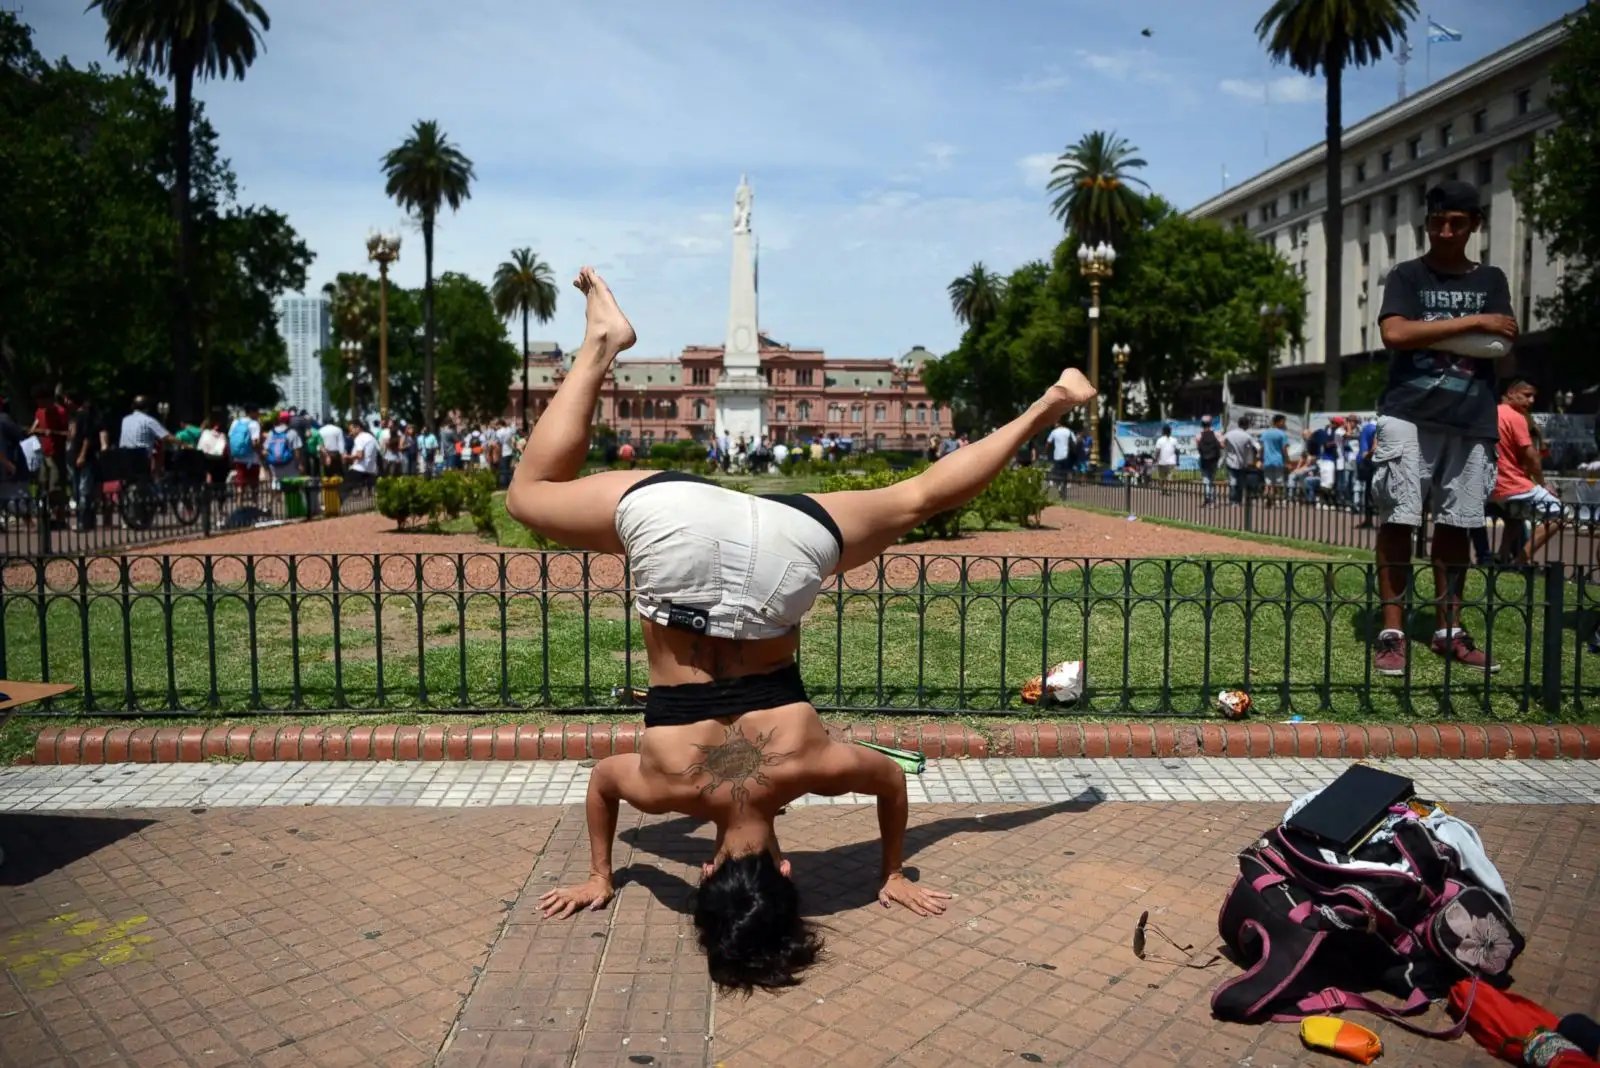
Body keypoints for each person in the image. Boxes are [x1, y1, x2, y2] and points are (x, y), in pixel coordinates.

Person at [518, 269, 1097, 992]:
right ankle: (601, 345)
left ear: (787, 868)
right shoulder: (665, 786)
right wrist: (602, 873)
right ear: (704, 871)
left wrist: (891, 871)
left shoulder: (812, 766)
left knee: (918, 496)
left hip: (783, 559)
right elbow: (603, 787)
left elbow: (891, 781)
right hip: (678, 545)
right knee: (531, 498)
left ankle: (1051, 401)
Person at [1370, 180, 1515, 676]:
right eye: (1437, 222)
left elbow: (1502, 343)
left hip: (1471, 416)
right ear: (1427, 223)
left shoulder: (1492, 277)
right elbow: (1395, 333)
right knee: (1399, 520)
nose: (1446, 231)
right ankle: (1392, 631)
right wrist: (1473, 323)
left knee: (1458, 525)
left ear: (1475, 224)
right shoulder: (1408, 275)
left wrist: (1433, 331)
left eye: (1457, 222)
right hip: (1408, 411)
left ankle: (1447, 631)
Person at [1490, 379, 1562, 565]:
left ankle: (1502, 557)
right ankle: (1521, 561)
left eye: (1533, 397)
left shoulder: (1495, 413)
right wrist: (1543, 485)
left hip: (1494, 484)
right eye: (1527, 395)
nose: (1531, 401)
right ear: (1511, 393)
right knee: (1559, 513)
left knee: (1515, 517)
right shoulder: (1516, 417)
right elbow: (1533, 457)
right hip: (1512, 483)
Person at [226, 405, 264, 496]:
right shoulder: (254, 424)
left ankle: (239, 506)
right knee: (254, 485)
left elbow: (230, 437)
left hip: (238, 458)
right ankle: (254, 506)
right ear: (252, 412)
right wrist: (261, 454)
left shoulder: (236, 422)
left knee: (240, 484)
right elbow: (255, 443)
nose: (258, 414)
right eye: (257, 412)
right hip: (252, 460)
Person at [1222, 415, 1259, 505]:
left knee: (1233, 481)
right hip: (1242, 462)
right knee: (1240, 482)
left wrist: (1227, 450)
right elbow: (1258, 447)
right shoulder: (1247, 436)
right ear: (1246, 425)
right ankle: (1238, 500)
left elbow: (1222, 442)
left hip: (1230, 461)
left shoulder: (1229, 434)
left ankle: (1233, 500)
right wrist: (1257, 456)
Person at [1260, 414, 1289, 505]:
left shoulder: (1265, 433)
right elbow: (1284, 449)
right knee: (1279, 481)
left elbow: (1262, 447)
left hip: (1267, 460)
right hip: (1278, 460)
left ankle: (1267, 499)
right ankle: (1278, 500)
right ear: (1278, 422)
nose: (1284, 423)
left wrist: (1261, 459)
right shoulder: (1282, 434)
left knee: (1268, 481)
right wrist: (1287, 460)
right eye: (1283, 421)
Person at [1195, 416, 1221, 505]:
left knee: (1206, 479)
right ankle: (1212, 499)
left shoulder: (1198, 435)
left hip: (1204, 459)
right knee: (1212, 479)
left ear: (1202, 424)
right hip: (1214, 460)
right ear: (1210, 423)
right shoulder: (1216, 434)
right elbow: (1222, 445)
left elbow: (1198, 448)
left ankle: (1208, 498)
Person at [1045, 418, 1074, 497]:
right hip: (1066, 455)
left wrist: (1046, 451)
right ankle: (1063, 485)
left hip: (1057, 455)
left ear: (1058, 423)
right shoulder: (1068, 431)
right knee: (1065, 472)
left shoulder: (1054, 432)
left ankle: (1059, 486)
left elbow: (1048, 443)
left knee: (1057, 472)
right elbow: (1074, 442)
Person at [1153, 425, 1179, 492]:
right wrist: (1178, 461)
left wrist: (1155, 459)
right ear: (1170, 431)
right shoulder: (1174, 440)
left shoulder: (1160, 440)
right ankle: (1166, 487)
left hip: (1162, 462)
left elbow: (1157, 451)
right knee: (1170, 477)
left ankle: (1163, 488)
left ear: (1163, 431)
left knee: (1161, 477)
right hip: (1171, 462)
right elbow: (1177, 451)